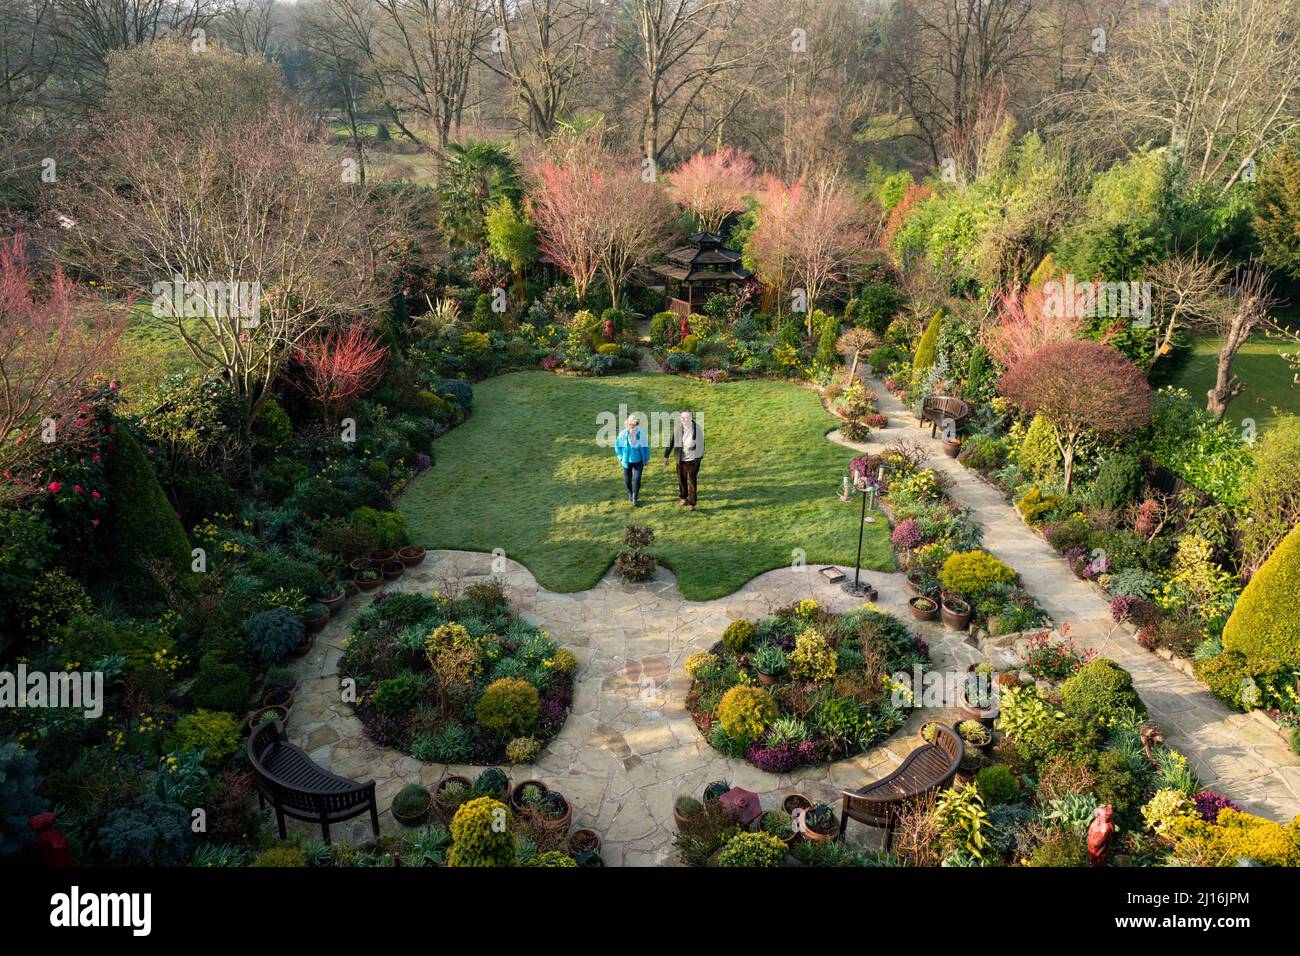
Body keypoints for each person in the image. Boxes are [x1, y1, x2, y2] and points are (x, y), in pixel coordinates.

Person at [663, 409, 704, 511]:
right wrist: (666, 456)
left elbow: (702, 445)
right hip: (680, 460)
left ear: (690, 418)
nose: (682, 419)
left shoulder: (697, 429)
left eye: (684, 417)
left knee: (692, 481)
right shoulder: (678, 429)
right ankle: (683, 497)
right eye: (681, 417)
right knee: (681, 479)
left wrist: (698, 459)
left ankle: (692, 503)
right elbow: (671, 442)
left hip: (693, 460)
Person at [614, 415, 650, 506]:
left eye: (634, 424)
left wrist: (646, 459)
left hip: (639, 461)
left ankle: (635, 498)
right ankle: (630, 493)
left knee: (637, 479)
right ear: (628, 425)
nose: (632, 426)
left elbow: (646, 447)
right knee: (628, 479)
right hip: (627, 461)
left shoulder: (642, 434)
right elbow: (617, 447)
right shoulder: (623, 434)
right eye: (630, 424)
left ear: (636, 424)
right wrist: (621, 457)